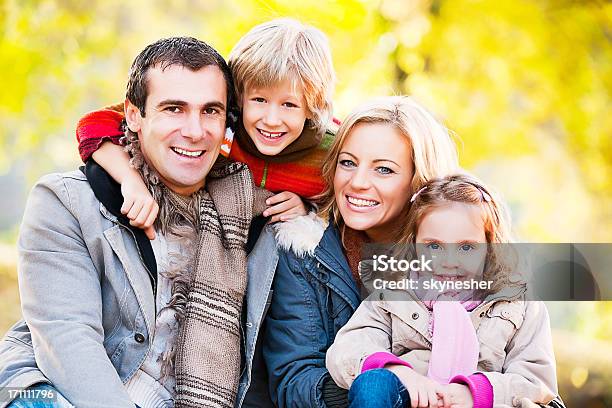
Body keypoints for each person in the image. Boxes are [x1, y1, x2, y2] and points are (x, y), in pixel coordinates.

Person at [0, 36, 271, 408]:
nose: (194, 130)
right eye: (174, 109)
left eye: (210, 110)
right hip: (65, 393)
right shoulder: (66, 202)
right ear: (133, 115)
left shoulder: (249, 214)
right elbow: (67, 340)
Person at [264, 96, 459, 408]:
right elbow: (295, 381)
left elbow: (524, 372)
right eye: (348, 163)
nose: (357, 182)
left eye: (383, 169)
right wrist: (383, 386)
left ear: (420, 181)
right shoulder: (305, 251)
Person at [74, 18, 337, 239]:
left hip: (332, 274)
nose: (271, 119)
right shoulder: (224, 130)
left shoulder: (334, 150)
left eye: (289, 105)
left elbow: (372, 212)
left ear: (312, 107)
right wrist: (130, 178)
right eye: (259, 100)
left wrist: (310, 211)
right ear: (238, 98)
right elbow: (92, 123)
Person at [326, 174, 562, 408]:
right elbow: (349, 348)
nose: (449, 262)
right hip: (411, 398)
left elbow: (537, 384)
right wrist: (397, 372)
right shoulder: (392, 292)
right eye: (434, 246)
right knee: (373, 384)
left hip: (479, 404)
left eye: (467, 247)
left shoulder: (518, 303)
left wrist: (476, 394)